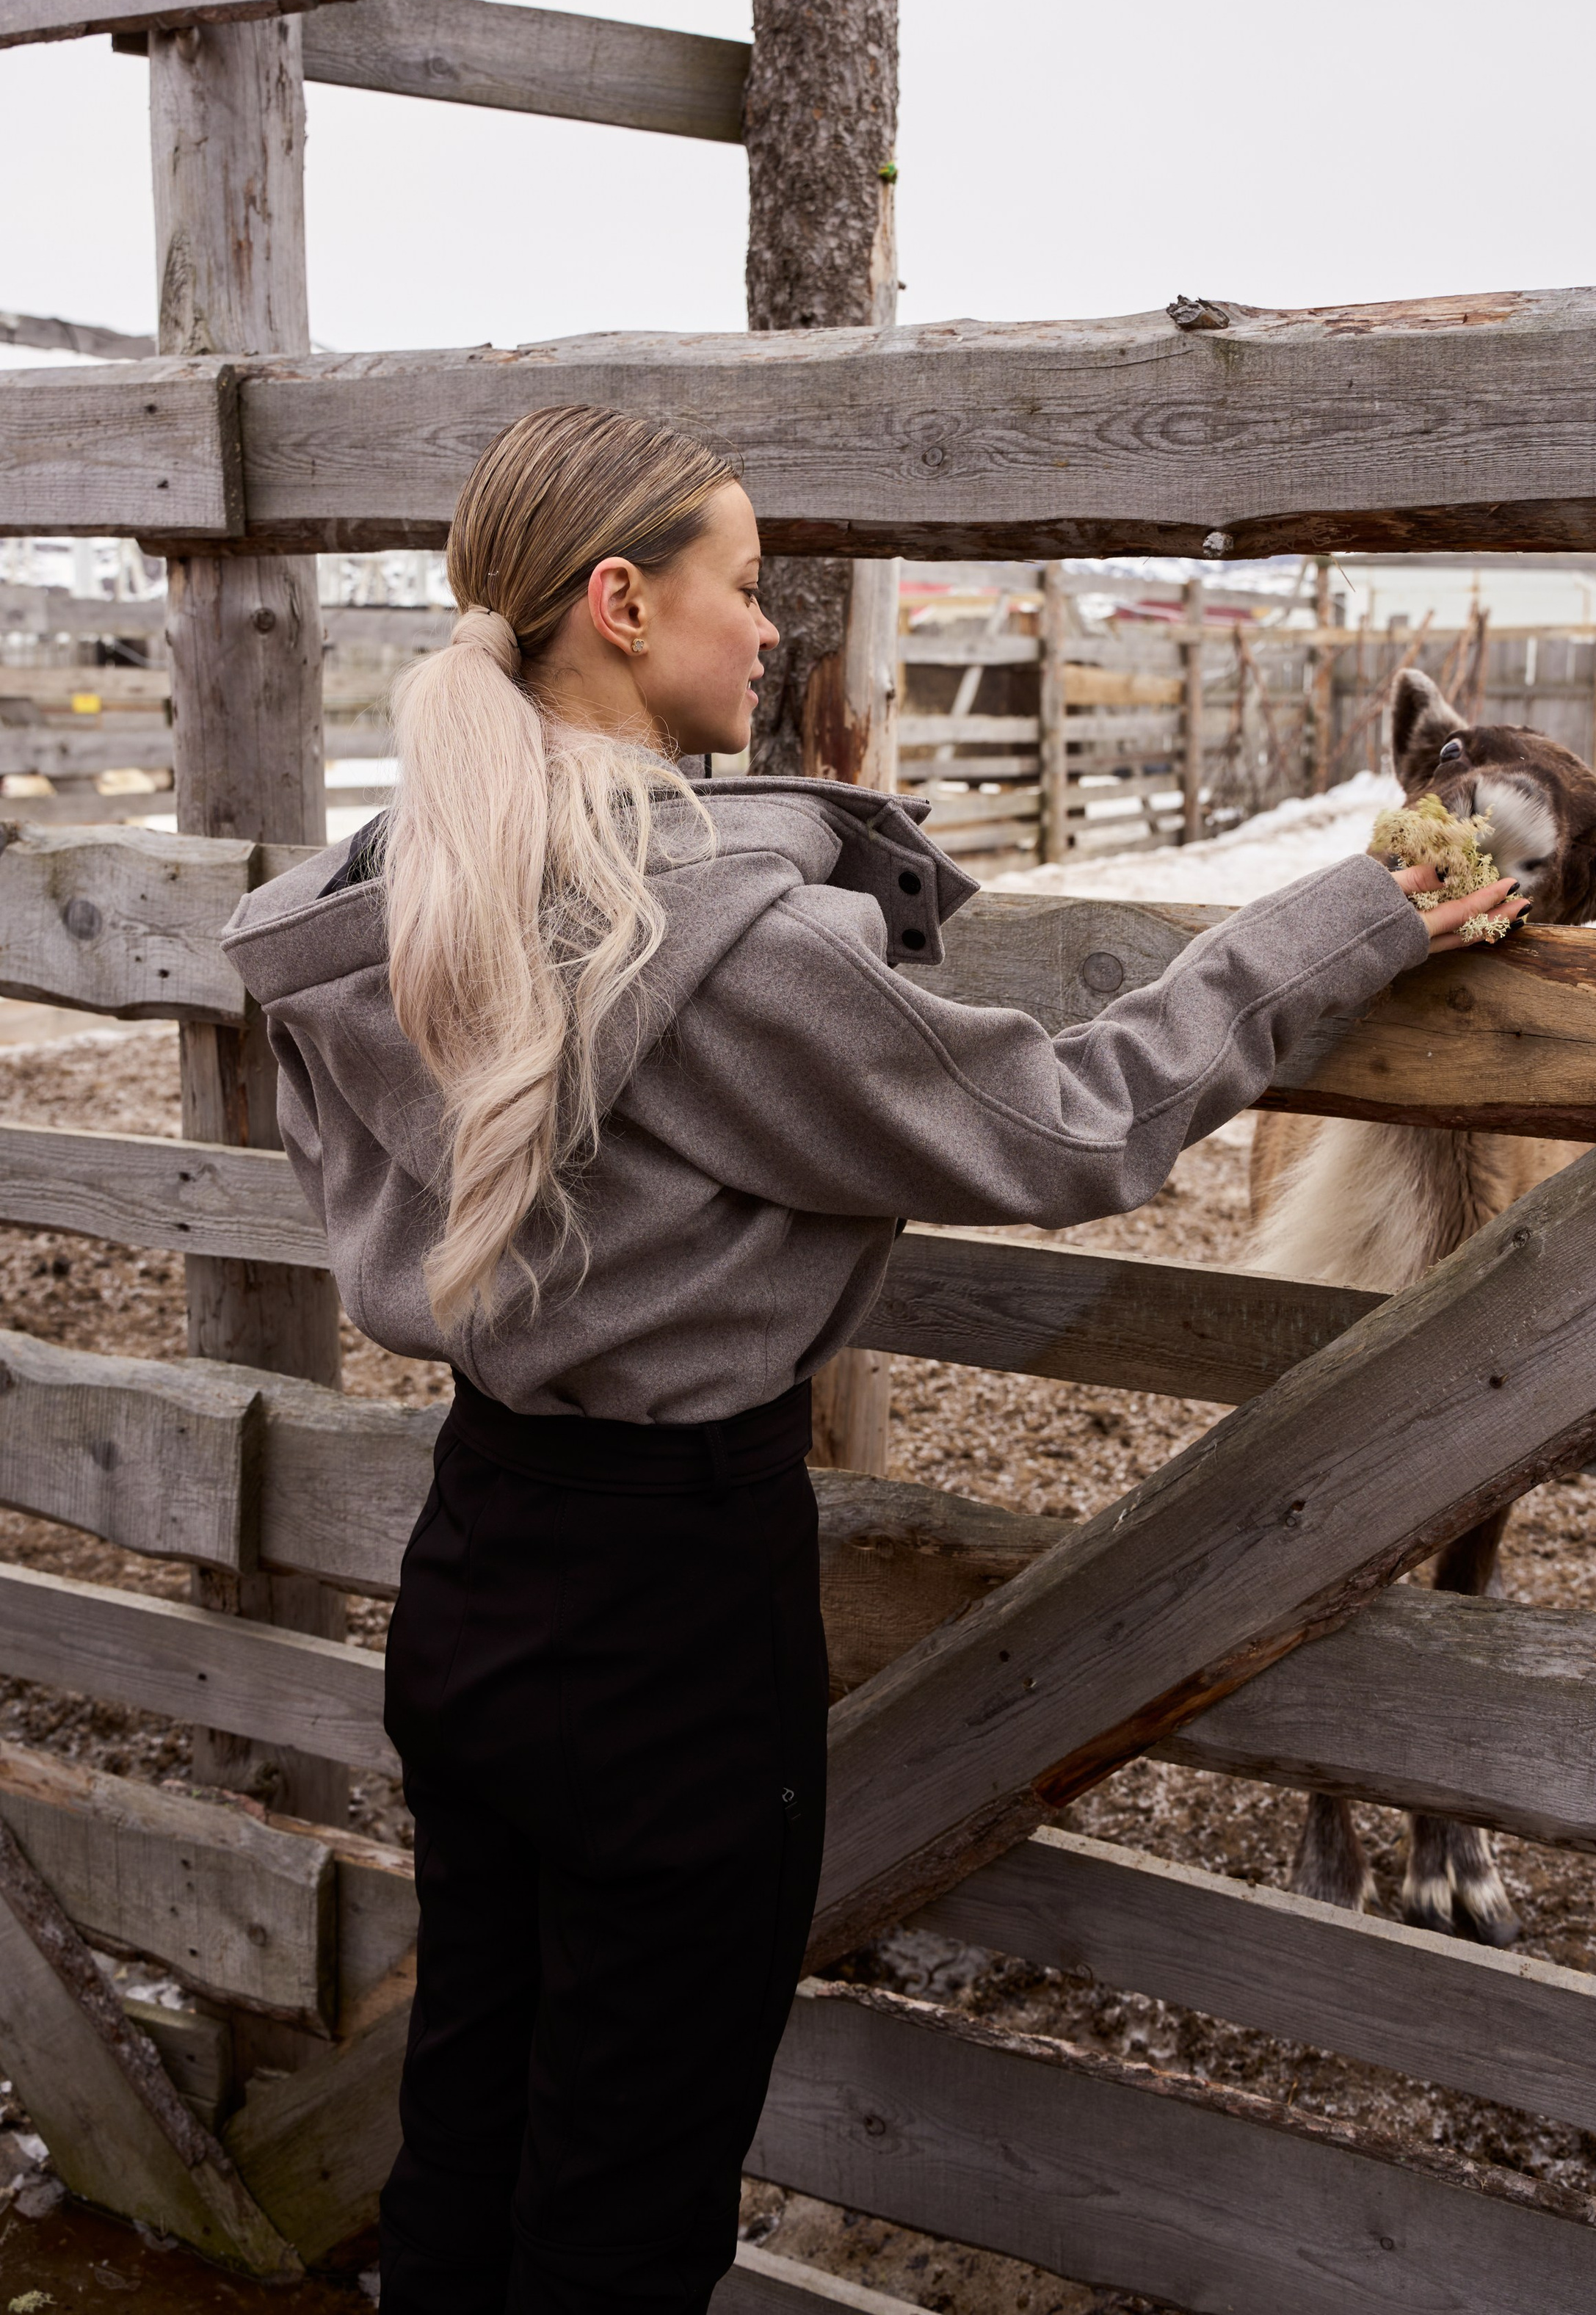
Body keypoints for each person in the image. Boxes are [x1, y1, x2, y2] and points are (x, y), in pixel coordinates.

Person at [222, 405, 1523, 2315]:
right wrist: (1358, 909)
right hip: (669, 1620)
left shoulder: (391, 893)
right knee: (626, 2208)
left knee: (472, 2129)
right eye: (744, 591)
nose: (772, 637)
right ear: (618, 601)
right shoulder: (731, 956)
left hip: (475, 1562)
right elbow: (1075, 1122)